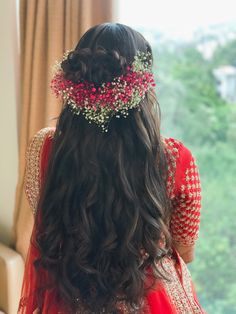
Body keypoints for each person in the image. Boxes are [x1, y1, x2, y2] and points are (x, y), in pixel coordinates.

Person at [18, 23, 204, 314]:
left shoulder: (44, 147)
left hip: (68, 292)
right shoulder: (174, 158)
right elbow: (184, 250)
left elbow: (43, 214)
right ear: (141, 86)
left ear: (76, 82)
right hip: (148, 298)